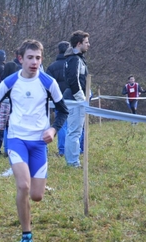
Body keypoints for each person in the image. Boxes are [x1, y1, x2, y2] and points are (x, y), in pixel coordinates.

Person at [0, 39, 68, 242]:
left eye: (38, 58)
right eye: (30, 57)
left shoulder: (48, 83)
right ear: (20, 59)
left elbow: (63, 110)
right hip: (17, 139)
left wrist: (53, 129)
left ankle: (29, 206)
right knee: (23, 186)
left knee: (36, 195)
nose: (34, 62)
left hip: (39, 143)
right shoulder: (10, 82)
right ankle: (26, 234)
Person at [62, 30, 90, 168]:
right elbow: (73, 81)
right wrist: (82, 99)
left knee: (74, 131)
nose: (88, 45)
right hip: (74, 100)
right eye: (86, 42)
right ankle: (73, 162)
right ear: (79, 44)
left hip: (74, 99)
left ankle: (73, 160)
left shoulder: (76, 58)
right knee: (74, 132)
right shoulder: (74, 59)